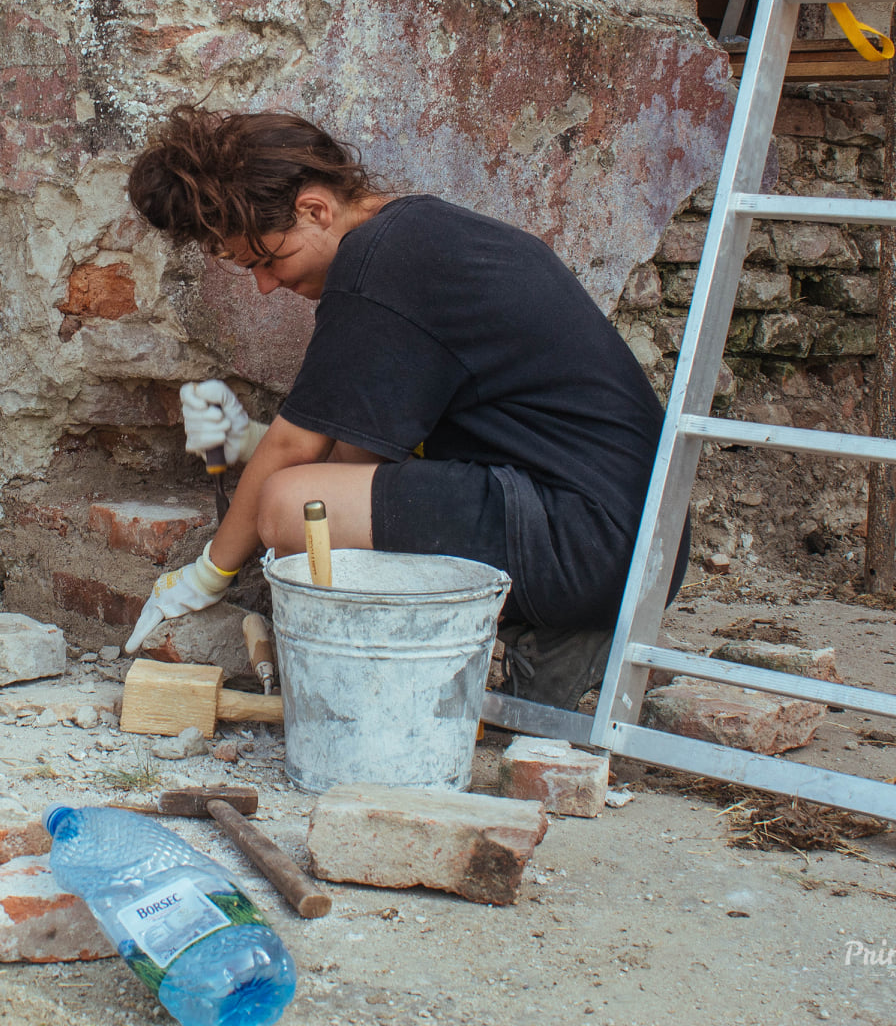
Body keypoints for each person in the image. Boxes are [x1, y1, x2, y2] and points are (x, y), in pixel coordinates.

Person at [122, 106, 686, 709]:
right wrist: (254, 451)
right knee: (307, 500)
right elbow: (355, 460)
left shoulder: (377, 265)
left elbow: (298, 454)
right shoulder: (416, 237)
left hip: (589, 540)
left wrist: (208, 574)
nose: (264, 285)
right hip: (634, 540)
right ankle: (538, 634)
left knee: (290, 509)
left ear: (314, 209)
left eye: (267, 260)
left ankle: (540, 642)